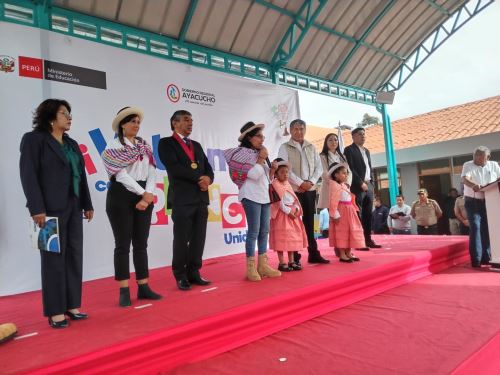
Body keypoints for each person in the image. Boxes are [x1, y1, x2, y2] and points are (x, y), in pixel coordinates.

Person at [19, 99, 94, 328]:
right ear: (51, 116)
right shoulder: (34, 139)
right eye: (64, 113)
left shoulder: (71, 144)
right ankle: (55, 311)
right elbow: (28, 174)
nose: (69, 117)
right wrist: (36, 208)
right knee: (52, 259)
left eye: (70, 113)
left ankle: (72, 305)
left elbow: (80, 175)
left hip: (73, 205)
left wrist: (87, 204)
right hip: (48, 209)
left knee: (74, 255)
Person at [102, 107, 162, 307]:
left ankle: (143, 286)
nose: (136, 125)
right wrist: (142, 193)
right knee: (122, 244)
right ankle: (124, 290)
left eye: (138, 122)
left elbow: (152, 170)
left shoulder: (144, 145)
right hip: (121, 195)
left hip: (144, 194)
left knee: (141, 243)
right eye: (132, 122)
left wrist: (149, 194)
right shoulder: (113, 146)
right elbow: (120, 174)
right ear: (122, 125)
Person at [158, 110, 214, 290]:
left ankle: (194, 271)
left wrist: (209, 179)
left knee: (199, 238)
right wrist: (200, 179)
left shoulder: (196, 145)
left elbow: (208, 168)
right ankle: (180, 275)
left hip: (200, 198)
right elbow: (174, 168)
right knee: (181, 239)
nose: (190, 123)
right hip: (181, 199)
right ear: (175, 123)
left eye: (191, 120)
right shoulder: (165, 143)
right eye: (186, 120)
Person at [224, 122, 281, 281]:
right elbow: (254, 175)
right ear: (249, 137)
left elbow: (266, 179)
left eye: (263, 136)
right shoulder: (241, 153)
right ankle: (250, 268)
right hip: (250, 195)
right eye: (259, 136)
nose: (262, 139)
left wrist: (272, 170)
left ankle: (263, 265)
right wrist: (261, 159)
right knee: (254, 231)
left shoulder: (257, 154)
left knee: (264, 231)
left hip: (263, 196)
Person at [278, 119, 329, 264]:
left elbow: (319, 168)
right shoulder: (284, 147)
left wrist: (311, 182)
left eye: (301, 129)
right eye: (295, 129)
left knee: (311, 222)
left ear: (305, 130)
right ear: (291, 130)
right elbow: (284, 169)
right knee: (294, 222)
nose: (299, 132)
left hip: (311, 189)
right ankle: (294, 257)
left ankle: (314, 253)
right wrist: (300, 183)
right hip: (293, 191)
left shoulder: (311, 147)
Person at [461, 146, 500, 268]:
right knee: (476, 227)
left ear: (487, 157)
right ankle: (476, 259)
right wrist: (473, 185)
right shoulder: (468, 164)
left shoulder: (494, 165)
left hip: (490, 201)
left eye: (479, 155)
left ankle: (486, 258)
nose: (476, 157)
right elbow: (465, 178)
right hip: (472, 201)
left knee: (488, 229)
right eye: (475, 154)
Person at [343, 127, 381, 250]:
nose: (363, 136)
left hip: (369, 185)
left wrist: (372, 183)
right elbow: (350, 168)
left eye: (364, 134)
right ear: (353, 137)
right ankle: (359, 242)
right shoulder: (349, 150)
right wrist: (360, 182)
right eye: (360, 134)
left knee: (368, 215)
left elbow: (370, 167)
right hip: (357, 186)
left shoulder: (367, 151)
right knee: (358, 215)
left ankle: (368, 239)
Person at [269, 159, 307, 272]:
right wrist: (287, 211)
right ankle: (282, 262)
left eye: (287, 172)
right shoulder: (274, 184)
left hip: (292, 215)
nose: (285, 174)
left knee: (291, 239)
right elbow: (277, 201)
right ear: (275, 174)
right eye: (282, 172)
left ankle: (291, 261)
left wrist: (296, 209)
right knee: (281, 239)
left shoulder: (288, 183)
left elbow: (294, 199)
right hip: (282, 215)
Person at [328, 162, 364, 263]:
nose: (346, 175)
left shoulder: (345, 185)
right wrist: (335, 214)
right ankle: (342, 254)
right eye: (343, 173)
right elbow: (333, 201)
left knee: (350, 231)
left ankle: (348, 252)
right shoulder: (334, 186)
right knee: (342, 232)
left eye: (346, 173)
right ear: (336, 175)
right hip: (341, 211)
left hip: (349, 210)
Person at [317, 133, 351, 210]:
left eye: (335, 140)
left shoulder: (342, 156)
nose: (333, 142)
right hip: (330, 188)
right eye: (330, 140)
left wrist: (347, 183)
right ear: (326, 142)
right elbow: (324, 173)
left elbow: (349, 171)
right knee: (333, 215)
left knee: (344, 213)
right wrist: (335, 185)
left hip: (344, 187)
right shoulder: (322, 156)